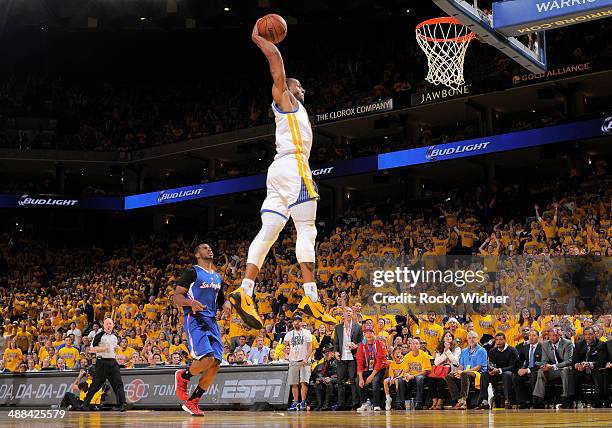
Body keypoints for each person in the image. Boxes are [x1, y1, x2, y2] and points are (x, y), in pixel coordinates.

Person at [227, 18, 336, 330]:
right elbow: (276, 62)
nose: (302, 88)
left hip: (277, 173)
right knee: (307, 228)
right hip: (293, 167)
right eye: (298, 85)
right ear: (287, 89)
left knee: (270, 231)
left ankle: (245, 290)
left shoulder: (296, 110)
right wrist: (259, 39)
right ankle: (311, 296)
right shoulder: (285, 99)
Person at [173, 243, 229, 417]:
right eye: (205, 248)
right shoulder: (192, 272)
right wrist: (191, 303)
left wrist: (226, 304)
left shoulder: (218, 277)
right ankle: (183, 376)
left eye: (211, 247)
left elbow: (221, 300)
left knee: (216, 363)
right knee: (206, 359)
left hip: (212, 321)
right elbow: (176, 296)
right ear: (197, 254)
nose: (209, 249)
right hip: (195, 318)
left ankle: (193, 401)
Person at [80, 318, 127, 412]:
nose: (109, 325)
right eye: (107, 324)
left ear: (113, 325)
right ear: (104, 325)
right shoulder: (99, 335)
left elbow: (112, 349)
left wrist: (116, 348)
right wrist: (102, 349)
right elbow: (92, 349)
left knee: (118, 383)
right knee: (96, 385)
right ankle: (85, 403)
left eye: (110, 324)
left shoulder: (114, 337)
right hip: (102, 362)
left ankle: (122, 404)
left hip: (112, 362)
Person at [532, 327, 575, 408]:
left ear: (559, 335)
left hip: (565, 368)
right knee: (541, 371)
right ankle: (539, 399)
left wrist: (552, 366)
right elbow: (544, 360)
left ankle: (566, 398)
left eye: (555, 335)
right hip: (553, 370)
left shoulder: (567, 343)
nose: (552, 337)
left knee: (565, 370)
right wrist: (544, 366)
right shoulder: (545, 344)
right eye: (550, 336)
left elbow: (568, 361)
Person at [445, 330, 487, 410]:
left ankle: (463, 401)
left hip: (477, 373)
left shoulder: (482, 350)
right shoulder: (464, 351)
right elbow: (461, 365)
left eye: (473, 338)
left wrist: (463, 372)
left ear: (477, 339)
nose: (471, 340)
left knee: (464, 374)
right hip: (465, 373)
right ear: (467, 340)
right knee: (449, 376)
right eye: (469, 338)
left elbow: (478, 367)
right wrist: (458, 372)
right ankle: (457, 400)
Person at [478, 332, 519, 409]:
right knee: (484, 374)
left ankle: (507, 400)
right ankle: (484, 401)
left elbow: (513, 366)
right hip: (496, 373)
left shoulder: (512, 350)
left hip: (508, 373)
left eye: (501, 339)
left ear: (505, 340)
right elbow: (491, 364)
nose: (499, 341)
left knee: (506, 374)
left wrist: (500, 370)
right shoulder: (492, 351)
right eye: (496, 340)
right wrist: (491, 369)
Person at [333, 306, 363, 410]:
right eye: (346, 311)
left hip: (352, 358)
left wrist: (356, 346)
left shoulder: (358, 327)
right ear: (343, 314)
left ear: (352, 313)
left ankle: (355, 404)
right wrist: (336, 352)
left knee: (353, 381)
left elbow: (362, 342)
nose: (348, 313)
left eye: (350, 311)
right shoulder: (338, 327)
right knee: (340, 381)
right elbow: (336, 343)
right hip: (341, 358)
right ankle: (341, 404)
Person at [284, 313, 313, 411]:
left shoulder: (307, 332)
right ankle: (295, 402)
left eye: (299, 320)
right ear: (292, 323)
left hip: (304, 360)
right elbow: (285, 346)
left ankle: (303, 402)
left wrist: (306, 358)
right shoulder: (288, 334)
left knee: (304, 382)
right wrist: (286, 354)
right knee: (294, 383)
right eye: (295, 320)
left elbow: (310, 347)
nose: (297, 322)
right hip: (293, 360)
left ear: (301, 322)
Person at [571, 326, 606, 407]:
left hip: (594, 369)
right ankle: (578, 399)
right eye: (586, 334)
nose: (588, 336)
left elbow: (601, 362)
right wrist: (578, 366)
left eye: (590, 334)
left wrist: (588, 364)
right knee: (574, 373)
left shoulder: (601, 344)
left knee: (598, 371)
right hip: (582, 371)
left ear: (594, 334)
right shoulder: (579, 344)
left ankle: (598, 400)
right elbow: (574, 361)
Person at [355, 325, 387, 411]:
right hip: (367, 368)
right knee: (357, 380)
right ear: (364, 335)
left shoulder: (380, 344)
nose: (368, 334)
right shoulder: (361, 346)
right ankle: (364, 403)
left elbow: (379, 363)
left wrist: (371, 376)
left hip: (379, 369)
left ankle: (376, 404)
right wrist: (361, 378)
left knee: (375, 381)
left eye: (370, 332)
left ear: (374, 333)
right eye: (366, 333)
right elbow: (360, 363)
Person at [397, 338, 431, 410]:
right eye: (413, 343)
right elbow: (406, 370)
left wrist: (412, 376)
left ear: (419, 346)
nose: (415, 345)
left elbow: (426, 371)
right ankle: (400, 403)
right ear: (410, 346)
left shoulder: (424, 356)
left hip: (422, 377)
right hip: (410, 377)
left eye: (416, 344)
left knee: (419, 378)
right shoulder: (407, 356)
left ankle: (418, 402)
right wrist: (406, 375)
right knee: (400, 380)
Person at [512, 328, 542, 408]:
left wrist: (528, 370)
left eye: (533, 335)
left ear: (538, 337)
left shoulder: (542, 347)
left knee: (533, 375)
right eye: (530, 335)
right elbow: (521, 361)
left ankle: (535, 401)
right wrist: (521, 369)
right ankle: (523, 402)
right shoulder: (525, 347)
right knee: (515, 377)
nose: (531, 337)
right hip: (526, 370)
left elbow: (541, 362)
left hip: (537, 370)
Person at [430, 331, 461, 410]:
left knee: (441, 380)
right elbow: (436, 362)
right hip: (439, 370)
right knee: (430, 380)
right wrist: (445, 352)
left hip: (452, 370)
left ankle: (440, 401)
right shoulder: (439, 348)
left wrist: (447, 351)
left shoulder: (457, 348)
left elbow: (455, 362)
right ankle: (434, 401)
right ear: (443, 339)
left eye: (450, 336)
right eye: (446, 336)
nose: (448, 337)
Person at [313, 343, 338, 411]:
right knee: (318, 382)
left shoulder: (338, 361)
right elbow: (320, 374)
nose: (328, 353)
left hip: (337, 380)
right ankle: (319, 404)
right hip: (326, 379)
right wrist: (322, 379)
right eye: (326, 352)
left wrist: (330, 379)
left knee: (328, 383)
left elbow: (339, 375)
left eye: (329, 351)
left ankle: (327, 405)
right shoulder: (323, 362)